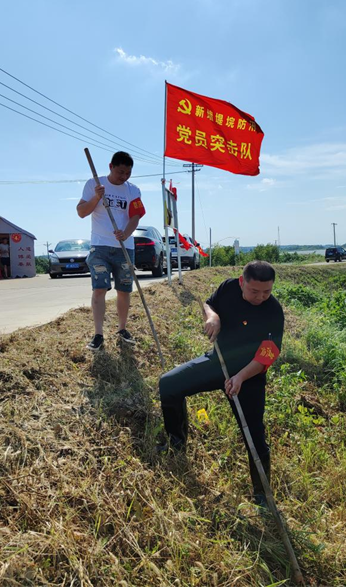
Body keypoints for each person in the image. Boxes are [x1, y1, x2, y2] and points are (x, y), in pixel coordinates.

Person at [158, 261, 284, 506]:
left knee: (255, 436)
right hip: (218, 362)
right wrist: (213, 317)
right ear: (241, 282)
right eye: (254, 291)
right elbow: (209, 303)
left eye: (267, 292)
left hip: (249, 376)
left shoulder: (273, 311)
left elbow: (267, 354)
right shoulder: (228, 288)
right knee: (168, 385)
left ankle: (261, 495)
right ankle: (177, 441)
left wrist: (240, 378)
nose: (261, 297)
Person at [76, 151, 145, 351]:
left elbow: (136, 216)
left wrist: (125, 233)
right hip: (100, 247)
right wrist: (97, 197)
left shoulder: (133, 190)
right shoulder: (94, 184)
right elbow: (81, 212)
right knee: (99, 289)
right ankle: (98, 334)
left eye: (128, 173)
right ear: (111, 167)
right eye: (120, 172)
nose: (124, 177)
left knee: (124, 290)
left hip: (124, 248)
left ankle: (122, 329)